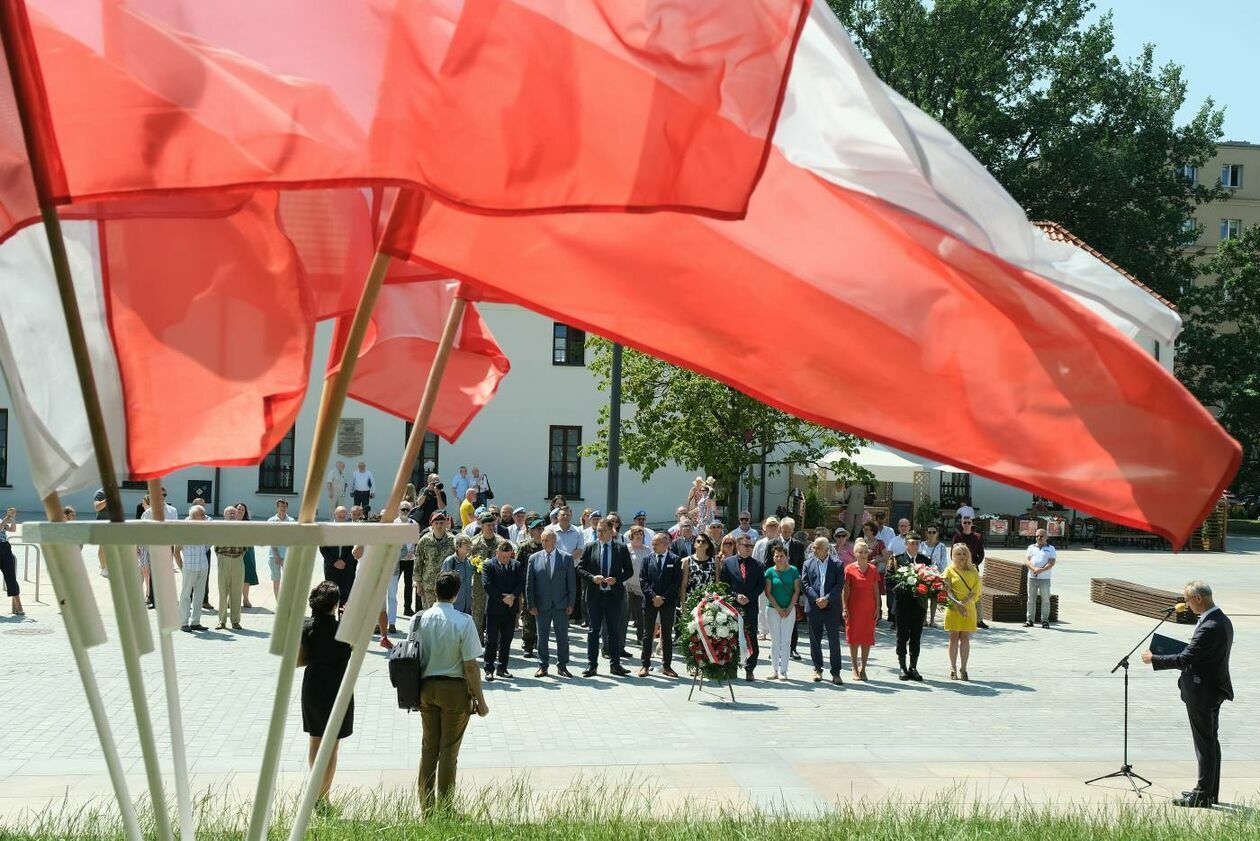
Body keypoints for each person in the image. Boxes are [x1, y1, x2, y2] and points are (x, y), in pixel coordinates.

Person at [1141, 580, 1234, 808]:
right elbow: (1198, 653)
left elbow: (1185, 659)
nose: (1187, 605)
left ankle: (1202, 794)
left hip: (1203, 691)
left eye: (1188, 600)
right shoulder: (1220, 619)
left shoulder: (1210, 625)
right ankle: (1209, 791)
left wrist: (1154, 659)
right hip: (1210, 688)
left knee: (1205, 743)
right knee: (1210, 742)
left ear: (1199, 599)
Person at [415, 570, 489, 814]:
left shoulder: (418, 619)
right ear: (456, 595)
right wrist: (480, 700)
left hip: (425, 688)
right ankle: (446, 810)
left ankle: (426, 807)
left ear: (435, 590)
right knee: (448, 751)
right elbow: (470, 665)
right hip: (454, 690)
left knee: (429, 748)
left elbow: (412, 658)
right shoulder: (464, 621)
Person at [299, 581, 354, 805]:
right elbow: (354, 649)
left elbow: (297, 660)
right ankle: (324, 796)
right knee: (332, 745)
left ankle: (315, 794)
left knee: (315, 741)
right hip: (338, 688)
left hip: (313, 686)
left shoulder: (307, 626)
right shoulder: (345, 629)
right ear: (336, 604)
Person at [576, 519, 634, 677]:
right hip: (595, 596)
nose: (599, 534)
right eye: (597, 531)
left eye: (602, 531)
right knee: (593, 631)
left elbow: (629, 571)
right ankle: (592, 665)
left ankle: (615, 665)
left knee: (614, 632)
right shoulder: (590, 547)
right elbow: (580, 568)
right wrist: (592, 577)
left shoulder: (621, 548)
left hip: (613, 596)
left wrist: (617, 579)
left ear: (611, 531)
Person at [526, 528, 576, 678]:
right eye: (542, 540)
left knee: (562, 637)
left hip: (561, 605)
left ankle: (562, 665)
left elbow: (572, 584)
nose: (543, 542)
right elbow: (530, 584)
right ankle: (543, 666)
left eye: (546, 540)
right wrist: (531, 604)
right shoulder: (533, 558)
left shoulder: (566, 558)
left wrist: (571, 604)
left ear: (554, 541)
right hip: (541, 606)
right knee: (542, 637)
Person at [637, 532, 683, 677]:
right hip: (651, 602)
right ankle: (645, 665)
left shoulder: (675, 560)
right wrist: (653, 596)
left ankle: (667, 666)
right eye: (653, 544)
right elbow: (643, 580)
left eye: (656, 544)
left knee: (667, 635)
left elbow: (676, 582)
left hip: (667, 602)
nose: (653, 546)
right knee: (647, 634)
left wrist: (663, 598)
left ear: (665, 544)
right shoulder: (647, 559)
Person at [719, 534, 764, 681]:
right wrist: (735, 595)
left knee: (751, 637)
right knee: (731, 636)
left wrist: (749, 597)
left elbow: (760, 586)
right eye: (746, 546)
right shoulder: (728, 562)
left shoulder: (758, 565)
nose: (749, 549)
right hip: (732, 606)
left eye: (751, 546)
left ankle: (750, 668)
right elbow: (724, 585)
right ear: (738, 546)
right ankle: (731, 667)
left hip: (750, 606)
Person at [482, 540, 524, 680]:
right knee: (491, 640)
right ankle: (489, 668)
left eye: (508, 557)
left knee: (507, 640)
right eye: (503, 557)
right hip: (495, 609)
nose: (506, 560)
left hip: (510, 609)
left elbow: (521, 583)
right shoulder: (489, 565)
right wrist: (503, 598)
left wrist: (513, 596)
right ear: (497, 553)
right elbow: (487, 586)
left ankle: (503, 668)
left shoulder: (516, 565)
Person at [803, 537, 843, 684]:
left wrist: (826, 599)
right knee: (815, 640)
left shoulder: (838, 564)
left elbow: (839, 586)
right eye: (813, 547)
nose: (814, 550)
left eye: (817, 547)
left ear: (826, 549)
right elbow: (805, 583)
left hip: (831, 607)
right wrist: (816, 599)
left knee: (834, 640)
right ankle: (817, 669)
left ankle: (836, 672)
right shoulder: (808, 564)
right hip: (814, 607)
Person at [890, 533, 928, 682]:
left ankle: (913, 666)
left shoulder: (925, 560)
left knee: (916, 637)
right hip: (902, 605)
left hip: (918, 605)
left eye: (917, 543)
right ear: (905, 544)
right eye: (912, 543)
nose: (914, 546)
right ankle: (902, 666)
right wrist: (904, 585)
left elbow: (930, 579)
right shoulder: (896, 559)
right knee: (902, 636)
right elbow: (889, 580)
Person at [842, 539, 880, 681]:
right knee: (853, 638)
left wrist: (878, 608)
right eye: (860, 552)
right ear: (855, 553)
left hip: (869, 608)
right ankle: (854, 667)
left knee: (866, 638)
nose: (863, 555)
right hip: (853, 608)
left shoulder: (873, 569)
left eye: (865, 552)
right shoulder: (849, 569)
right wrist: (844, 607)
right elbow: (845, 590)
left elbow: (876, 590)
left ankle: (863, 667)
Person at [943, 543, 982, 681]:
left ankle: (964, 668)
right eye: (958, 554)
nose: (962, 556)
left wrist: (963, 603)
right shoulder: (948, 570)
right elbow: (947, 590)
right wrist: (958, 604)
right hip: (953, 607)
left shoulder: (973, 570)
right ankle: (953, 668)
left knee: (965, 637)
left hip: (968, 607)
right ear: (953, 555)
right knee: (953, 637)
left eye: (964, 553)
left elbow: (976, 590)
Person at [762, 543, 801, 681]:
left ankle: (783, 671)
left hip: (789, 610)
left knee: (786, 641)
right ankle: (774, 669)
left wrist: (790, 608)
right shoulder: (769, 572)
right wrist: (778, 609)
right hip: (773, 609)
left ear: (787, 557)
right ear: (773, 557)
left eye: (782, 556)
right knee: (775, 640)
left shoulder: (794, 570)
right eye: (776, 556)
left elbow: (796, 590)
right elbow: (768, 592)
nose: (779, 558)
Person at [176, 505, 210, 631]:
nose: (205, 517)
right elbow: (176, 551)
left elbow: (207, 546)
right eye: (202, 515)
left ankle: (196, 622)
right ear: (194, 516)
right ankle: (183, 622)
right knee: (185, 595)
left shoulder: (204, 528)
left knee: (199, 594)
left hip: (202, 565)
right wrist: (182, 568)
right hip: (189, 567)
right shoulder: (183, 530)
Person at [214, 506, 248, 630]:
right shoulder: (219, 529)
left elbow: (245, 548)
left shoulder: (242, 529)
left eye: (234, 513)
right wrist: (222, 560)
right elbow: (216, 548)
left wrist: (238, 559)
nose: (232, 515)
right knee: (223, 592)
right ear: (224, 515)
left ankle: (235, 621)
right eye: (229, 513)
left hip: (238, 560)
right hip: (224, 559)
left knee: (237, 591)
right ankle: (221, 621)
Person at [319, 506, 360, 610]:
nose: (341, 519)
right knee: (330, 596)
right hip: (331, 567)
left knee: (345, 598)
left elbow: (353, 548)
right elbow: (323, 548)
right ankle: (330, 621)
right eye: (339, 516)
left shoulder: (351, 529)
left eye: (343, 517)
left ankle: (342, 623)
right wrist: (334, 562)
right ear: (334, 515)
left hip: (347, 568)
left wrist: (344, 561)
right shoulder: (327, 528)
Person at [951, 514, 988, 628]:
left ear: (972, 524)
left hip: (972, 569)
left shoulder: (977, 537)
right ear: (961, 524)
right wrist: (959, 565)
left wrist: (974, 564)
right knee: (960, 592)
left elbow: (981, 554)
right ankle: (959, 616)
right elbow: (952, 554)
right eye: (964, 523)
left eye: (969, 523)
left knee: (977, 593)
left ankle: (979, 619)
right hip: (959, 569)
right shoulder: (957, 537)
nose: (966, 525)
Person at [385, 501, 417, 632]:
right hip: (392, 562)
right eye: (402, 509)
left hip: (407, 560)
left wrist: (412, 552)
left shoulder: (414, 524)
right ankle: (379, 622)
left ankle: (393, 622)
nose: (404, 512)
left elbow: (415, 541)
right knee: (384, 595)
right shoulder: (393, 524)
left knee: (400, 589)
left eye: (407, 510)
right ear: (398, 510)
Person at [624, 525, 651, 654]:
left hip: (641, 587)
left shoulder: (647, 550)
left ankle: (641, 637)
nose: (639, 536)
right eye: (636, 534)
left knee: (641, 615)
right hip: (627, 585)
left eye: (641, 534)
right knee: (625, 614)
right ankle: (621, 641)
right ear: (631, 536)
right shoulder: (626, 549)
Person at [1024, 528, 1056, 628]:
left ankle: (1045, 620)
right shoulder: (1031, 547)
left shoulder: (1051, 548)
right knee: (1031, 599)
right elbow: (1027, 561)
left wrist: (1040, 570)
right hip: (1032, 577)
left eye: (1041, 536)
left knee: (1045, 599)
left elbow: (1051, 563)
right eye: (1037, 536)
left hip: (1045, 578)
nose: (1039, 538)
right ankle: (1030, 620)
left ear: (1046, 537)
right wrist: (1034, 569)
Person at [267, 499, 295, 599]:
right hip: (274, 556)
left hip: (288, 556)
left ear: (287, 508)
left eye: (284, 507)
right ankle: (278, 603)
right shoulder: (271, 521)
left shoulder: (292, 521)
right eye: (280, 506)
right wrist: (277, 556)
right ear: (277, 507)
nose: (282, 508)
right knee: (276, 580)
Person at [921, 525, 948, 627]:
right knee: (923, 596)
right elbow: (919, 557)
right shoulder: (922, 545)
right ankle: (924, 620)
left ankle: (932, 620)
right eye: (929, 532)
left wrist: (942, 575)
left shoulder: (941, 546)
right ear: (927, 533)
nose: (931, 534)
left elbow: (943, 561)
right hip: (924, 573)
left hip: (936, 574)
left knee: (933, 598)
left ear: (937, 533)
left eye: (933, 532)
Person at [683, 533, 721, 602]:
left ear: (708, 545)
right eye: (698, 541)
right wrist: (683, 603)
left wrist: (717, 600)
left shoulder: (714, 560)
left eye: (703, 542)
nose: (700, 543)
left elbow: (717, 582)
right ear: (694, 544)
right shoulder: (687, 561)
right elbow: (684, 584)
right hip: (692, 600)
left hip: (710, 600)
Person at [235, 502, 258, 609]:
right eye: (238, 509)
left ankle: (245, 599)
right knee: (234, 577)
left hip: (247, 551)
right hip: (234, 552)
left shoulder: (248, 523)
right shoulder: (230, 522)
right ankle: (233, 599)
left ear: (245, 512)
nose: (240, 511)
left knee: (246, 576)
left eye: (242, 510)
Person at [1, 508, 22, 616]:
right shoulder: (2, 520)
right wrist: (7, 518)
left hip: (4, 548)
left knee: (11, 577)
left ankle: (19, 606)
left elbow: (12, 529)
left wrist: (12, 518)